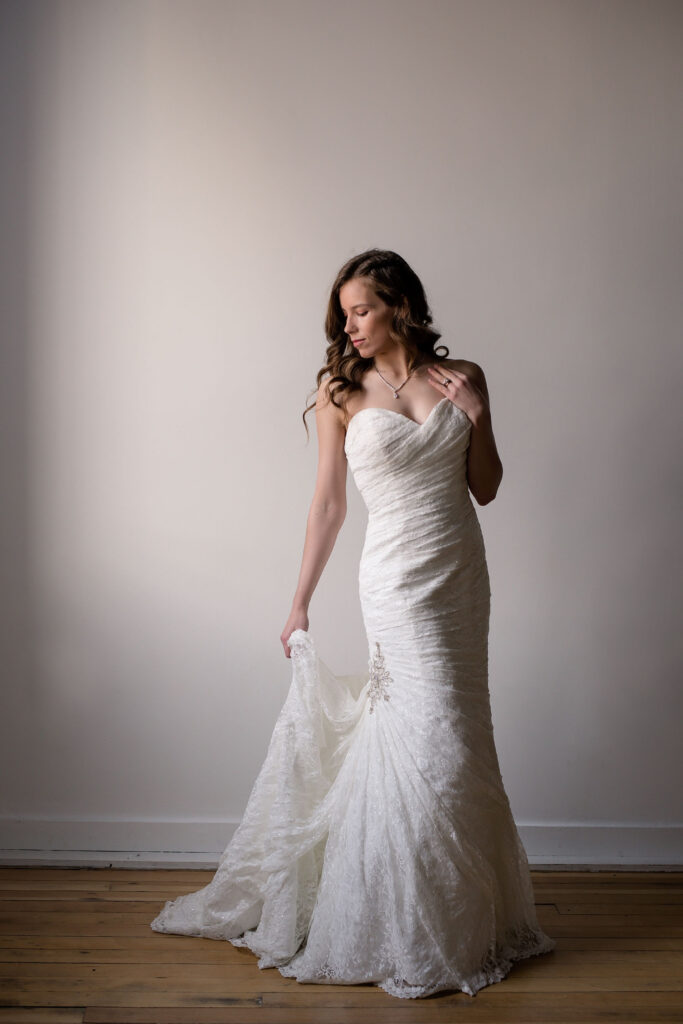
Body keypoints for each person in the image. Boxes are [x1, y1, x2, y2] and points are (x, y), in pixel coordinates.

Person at [150, 248, 556, 999]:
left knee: (462, 733)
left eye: (361, 310)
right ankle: (400, 919)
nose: (349, 325)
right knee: (423, 731)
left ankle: (464, 919)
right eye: (343, 313)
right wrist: (298, 599)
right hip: (394, 581)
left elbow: (487, 489)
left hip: (460, 574)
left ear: (399, 305)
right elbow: (329, 504)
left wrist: (477, 414)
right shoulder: (339, 390)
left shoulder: (460, 377)